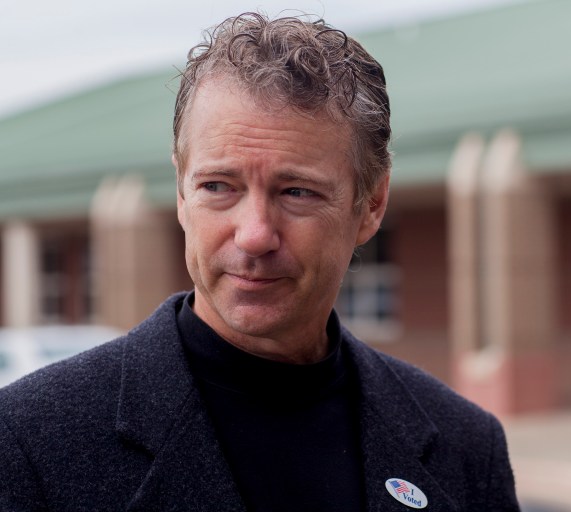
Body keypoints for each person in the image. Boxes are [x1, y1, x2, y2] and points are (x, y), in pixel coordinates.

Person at [0, 13, 520, 511]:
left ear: (372, 205)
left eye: (296, 191)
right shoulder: (29, 439)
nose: (254, 236)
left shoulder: (466, 448)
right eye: (218, 187)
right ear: (182, 192)